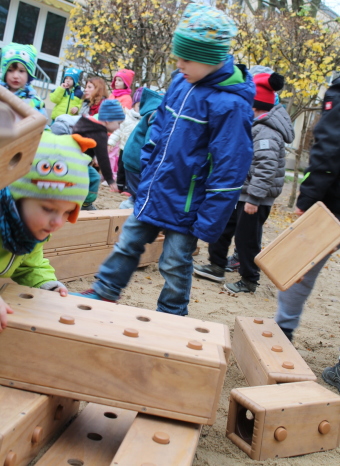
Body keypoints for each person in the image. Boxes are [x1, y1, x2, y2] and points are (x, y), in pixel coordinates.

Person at [73, 2, 255, 316]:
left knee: (174, 260)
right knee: (128, 240)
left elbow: (230, 169)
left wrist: (209, 222)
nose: (180, 64)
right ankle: (105, 291)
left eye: (186, 58)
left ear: (209, 58)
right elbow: (158, 128)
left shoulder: (230, 106)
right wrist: (144, 171)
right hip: (156, 190)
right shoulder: (182, 81)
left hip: (188, 204)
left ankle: (171, 312)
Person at [194, 72, 294, 293]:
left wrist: (255, 198)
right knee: (223, 226)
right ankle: (216, 265)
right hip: (242, 192)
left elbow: (265, 168)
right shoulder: (255, 126)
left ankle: (249, 279)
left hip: (254, 198)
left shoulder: (267, 132)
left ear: (255, 107)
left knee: (246, 238)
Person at [273, 73, 340, 390]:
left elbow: (330, 144)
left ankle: (283, 331)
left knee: (300, 264)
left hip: (333, 203)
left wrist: (309, 195)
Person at [0, 131, 93, 331]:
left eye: (68, 212)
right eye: (48, 209)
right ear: (16, 199)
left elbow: (29, 264)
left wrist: (46, 283)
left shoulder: (29, 230)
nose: (57, 222)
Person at [71, 99, 125, 210]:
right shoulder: (100, 133)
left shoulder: (86, 122)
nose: (118, 127)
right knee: (94, 177)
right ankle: (85, 204)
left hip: (70, 159)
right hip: (78, 165)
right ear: (107, 120)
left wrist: (94, 156)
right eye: (118, 123)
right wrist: (110, 179)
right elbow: (103, 158)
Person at [118, 87, 164, 209]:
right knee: (142, 196)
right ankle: (127, 212)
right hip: (136, 162)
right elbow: (151, 142)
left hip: (132, 158)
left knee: (137, 194)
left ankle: (128, 207)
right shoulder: (158, 114)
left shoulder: (154, 110)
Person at [107, 87, 143, 193]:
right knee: (121, 168)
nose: (140, 109)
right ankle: (119, 185)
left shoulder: (144, 120)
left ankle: (128, 187)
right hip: (123, 148)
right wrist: (111, 142)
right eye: (138, 105)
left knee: (130, 169)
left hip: (135, 151)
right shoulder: (127, 117)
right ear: (133, 105)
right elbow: (119, 130)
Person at [0, 42, 47, 117]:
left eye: (21, 71)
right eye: (10, 70)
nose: (15, 76)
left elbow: (42, 125)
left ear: (28, 74)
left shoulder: (34, 101)